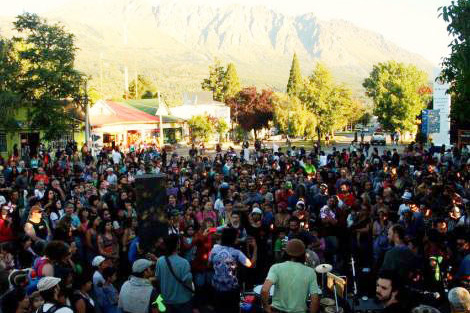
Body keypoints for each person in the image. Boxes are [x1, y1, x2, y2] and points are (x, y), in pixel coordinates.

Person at [261, 239, 320, 313]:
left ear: (286, 253)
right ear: (303, 254)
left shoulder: (276, 267)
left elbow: (264, 290)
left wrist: (266, 308)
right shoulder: (311, 272)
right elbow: (314, 300)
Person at [208, 227, 255, 313]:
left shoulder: (214, 250)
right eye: (236, 237)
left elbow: (209, 264)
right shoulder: (236, 253)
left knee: (218, 309)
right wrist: (255, 248)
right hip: (231, 290)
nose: (237, 239)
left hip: (217, 288)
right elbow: (250, 264)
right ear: (233, 238)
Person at [155, 234, 193, 313]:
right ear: (177, 245)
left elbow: (157, 279)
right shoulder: (184, 263)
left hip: (166, 299)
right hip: (183, 299)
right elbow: (188, 281)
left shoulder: (160, 261)